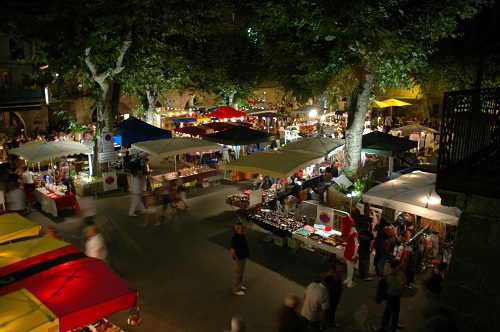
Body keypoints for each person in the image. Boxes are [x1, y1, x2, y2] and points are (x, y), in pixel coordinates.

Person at [380, 260, 405, 332]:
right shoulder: (391, 275)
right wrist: (401, 284)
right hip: (391, 295)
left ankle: (395, 324)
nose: (401, 266)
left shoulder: (400, 272)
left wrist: (401, 284)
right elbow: (397, 286)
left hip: (397, 295)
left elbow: (405, 280)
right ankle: (384, 326)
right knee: (388, 311)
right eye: (400, 265)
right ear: (396, 266)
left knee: (396, 310)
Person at [230, 221, 249, 296]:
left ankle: (239, 285)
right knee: (238, 274)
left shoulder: (241, 235)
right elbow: (232, 250)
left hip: (242, 257)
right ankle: (236, 289)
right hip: (239, 259)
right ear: (237, 229)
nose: (243, 229)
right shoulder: (235, 238)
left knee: (241, 273)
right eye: (242, 228)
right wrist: (237, 258)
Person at [325, 260, 344, 329]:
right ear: (335, 267)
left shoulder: (340, 271)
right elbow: (327, 284)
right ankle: (328, 322)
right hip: (332, 293)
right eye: (339, 266)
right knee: (329, 308)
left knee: (333, 308)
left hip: (337, 292)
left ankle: (331, 322)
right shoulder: (330, 274)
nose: (340, 267)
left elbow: (340, 281)